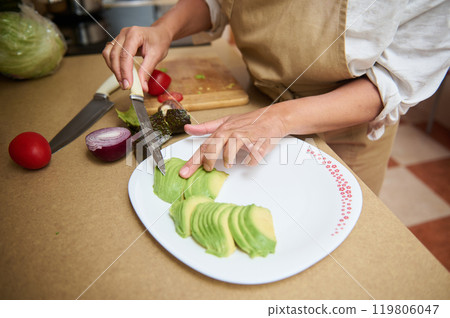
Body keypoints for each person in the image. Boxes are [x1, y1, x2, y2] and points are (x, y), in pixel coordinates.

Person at [102, 0, 449, 195]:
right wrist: (164, 29)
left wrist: (279, 118)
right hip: (258, 99)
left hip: (347, 132)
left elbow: (391, 80)